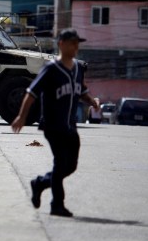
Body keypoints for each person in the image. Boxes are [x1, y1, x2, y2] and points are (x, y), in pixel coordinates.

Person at [11, 28, 100, 217]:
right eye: (72, 43)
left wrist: (91, 101)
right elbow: (31, 93)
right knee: (60, 164)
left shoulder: (77, 68)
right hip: (52, 125)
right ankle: (57, 204)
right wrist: (22, 116)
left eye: (77, 43)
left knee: (71, 166)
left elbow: (81, 91)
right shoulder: (51, 69)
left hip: (70, 125)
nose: (76, 46)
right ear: (61, 44)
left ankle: (40, 183)